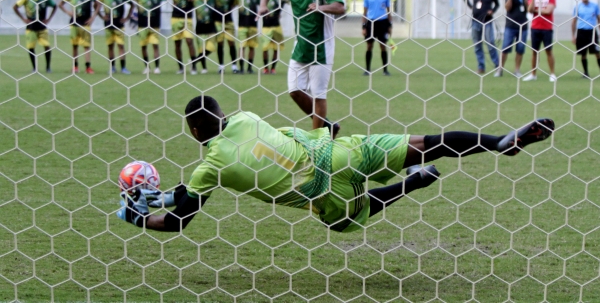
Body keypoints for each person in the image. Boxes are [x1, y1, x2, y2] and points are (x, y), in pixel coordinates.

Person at [116, 95, 555, 233]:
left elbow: (178, 222)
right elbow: (276, 139)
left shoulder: (207, 169)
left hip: (325, 193)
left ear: (194, 132)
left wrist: (140, 216)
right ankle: (500, 142)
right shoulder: (246, 117)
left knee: (345, 222)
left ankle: (411, 185)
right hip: (336, 151)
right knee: (427, 142)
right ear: (221, 115)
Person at [259, 0, 346, 136]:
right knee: (294, 91)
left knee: (319, 95)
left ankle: (316, 139)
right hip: (301, 47)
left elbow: (340, 7)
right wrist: (262, 5)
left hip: (322, 48)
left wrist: (320, 7)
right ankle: (328, 126)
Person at [13, 0, 57, 73]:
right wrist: (23, 19)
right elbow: (15, 6)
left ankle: (48, 67)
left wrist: (49, 19)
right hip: (31, 27)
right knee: (31, 47)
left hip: (42, 26)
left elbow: (55, 6)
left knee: (47, 46)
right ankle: (34, 68)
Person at [59, 0, 96, 74]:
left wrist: (92, 17)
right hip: (74, 22)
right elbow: (60, 4)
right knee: (75, 45)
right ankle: (75, 67)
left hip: (85, 23)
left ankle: (88, 67)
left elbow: (97, 4)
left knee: (86, 46)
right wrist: (68, 12)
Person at [464, 0, 500, 75]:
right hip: (475, 21)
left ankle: (497, 65)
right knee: (477, 45)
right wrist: (471, 7)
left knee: (491, 43)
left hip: (487, 21)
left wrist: (492, 11)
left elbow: (497, 4)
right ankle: (481, 66)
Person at [523, 0, 557, 82]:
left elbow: (548, 11)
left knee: (548, 51)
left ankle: (552, 73)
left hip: (547, 28)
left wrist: (536, 10)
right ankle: (533, 74)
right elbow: (529, 10)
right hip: (535, 27)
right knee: (534, 51)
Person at [167, 0, 200, 75]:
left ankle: (193, 67)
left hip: (188, 18)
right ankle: (181, 67)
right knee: (177, 44)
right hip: (175, 18)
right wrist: (171, 1)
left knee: (189, 42)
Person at [97, 0, 131, 74]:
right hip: (108, 24)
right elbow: (96, 5)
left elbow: (132, 4)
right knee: (110, 46)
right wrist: (101, 16)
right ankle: (112, 67)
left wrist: (127, 17)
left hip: (119, 25)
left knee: (121, 46)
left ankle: (123, 68)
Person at [133, 0, 168, 74]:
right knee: (143, 47)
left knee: (155, 45)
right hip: (142, 24)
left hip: (154, 24)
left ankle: (157, 67)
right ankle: (147, 67)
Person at [571, 0, 600, 79]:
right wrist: (573, 36)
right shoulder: (577, 7)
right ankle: (585, 73)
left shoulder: (594, 6)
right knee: (583, 53)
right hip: (581, 32)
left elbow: (599, 19)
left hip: (592, 32)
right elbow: (574, 21)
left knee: (597, 52)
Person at [209, 0, 240, 74]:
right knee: (220, 43)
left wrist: (230, 9)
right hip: (218, 21)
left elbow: (236, 2)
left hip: (228, 21)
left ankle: (234, 66)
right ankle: (221, 66)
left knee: (231, 43)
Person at [362, 0, 392, 76]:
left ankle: (385, 70)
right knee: (369, 45)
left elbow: (389, 12)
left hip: (382, 22)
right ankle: (367, 69)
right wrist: (363, 26)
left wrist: (389, 25)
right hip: (371, 22)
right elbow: (364, 13)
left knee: (383, 46)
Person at [499, 0, 529, 77]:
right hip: (510, 26)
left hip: (523, 26)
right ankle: (500, 69)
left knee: (520, 49)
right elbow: (507, 8)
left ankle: (517, 70)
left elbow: (528, 8)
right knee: (505, 47)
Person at [237, 0, 260, 74]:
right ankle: (241, 68)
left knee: (252, 47)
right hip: (242, 25)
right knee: (242, 47)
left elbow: (263, 3)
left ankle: (249, 68)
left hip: (253, 24)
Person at [191, 0, 216, 74]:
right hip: (200, 27)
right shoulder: (195, 0)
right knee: (202, 49)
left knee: (211, 47)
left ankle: (193, 62)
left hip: (211, 26)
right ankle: (204, 68)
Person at [260, 0, 283, 75]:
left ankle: (273, 68)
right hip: (266, 27)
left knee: (276, 48)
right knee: (265, 48)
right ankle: (266, 68)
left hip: (277, 26)